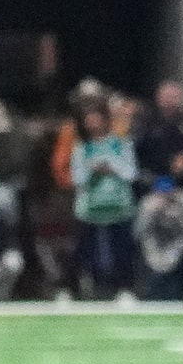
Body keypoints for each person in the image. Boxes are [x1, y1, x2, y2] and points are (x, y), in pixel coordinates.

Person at [67, 96, 138, 299]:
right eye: (88, 118)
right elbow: (77, 178)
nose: (92, 122)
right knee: (86, 250)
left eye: (96, 117)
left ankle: (124, 290)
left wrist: (111, 167)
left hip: (119, 206)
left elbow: (131, 173)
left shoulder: (121, 144)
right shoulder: (81, 149)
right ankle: (87, 290)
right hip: (90, 209)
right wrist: (92, 170)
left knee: (122, 249)